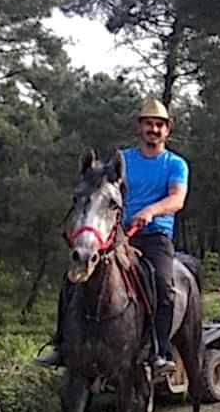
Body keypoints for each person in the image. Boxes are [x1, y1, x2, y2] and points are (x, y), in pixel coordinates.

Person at [37, 97, 190, 375]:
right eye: (148, 124)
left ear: (168, 129)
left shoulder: (175, 164)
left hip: (155, 236)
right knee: (73, 278)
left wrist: (150, 211)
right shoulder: (123, 161)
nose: (153, 130)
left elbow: (177, 199)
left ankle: (160, 350)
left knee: (164, 286)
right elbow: (99, 190)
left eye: (159, 125)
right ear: (139, 127)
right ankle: (62, 344)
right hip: (117, 236)